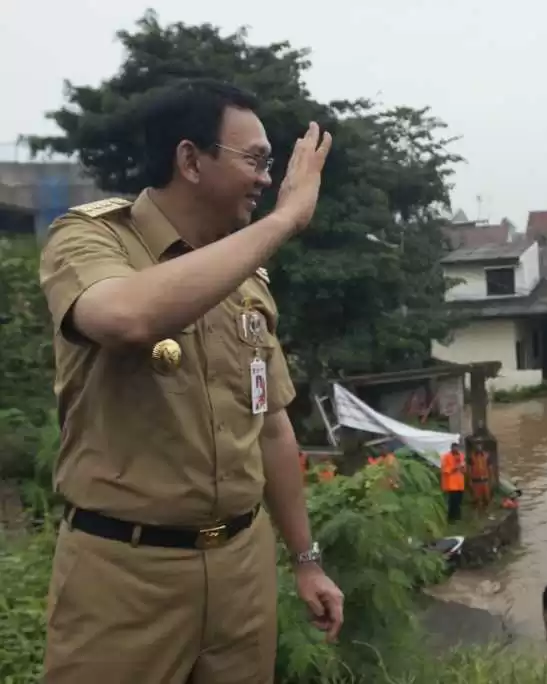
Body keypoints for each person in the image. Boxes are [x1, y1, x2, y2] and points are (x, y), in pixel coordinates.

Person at [37, 79, 343, 683]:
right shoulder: (92, 238)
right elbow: (127, 317)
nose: (265, 178)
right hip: (124, 574)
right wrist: (284, 221)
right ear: (189, 160)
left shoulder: (247, 281)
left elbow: (272, 427)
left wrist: (306, 560)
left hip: (241, 567)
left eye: (270, 165)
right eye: (254, 160)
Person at [440, 442, 466, 522]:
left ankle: (458, 516)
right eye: (454, 448)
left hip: (460, 483)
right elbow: (445, 470)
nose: (456, 450)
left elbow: (464, 470)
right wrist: (455, 467)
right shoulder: (446, 457)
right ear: (451, 448)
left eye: (457, 448)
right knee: (452, 501)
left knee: (459, 500)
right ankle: (451, 518)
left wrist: (462, 468)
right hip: (451, 484)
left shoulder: (461, 455)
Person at [468, 442, 492, 512]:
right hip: (476, 481)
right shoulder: (471, 457)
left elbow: (490, 468)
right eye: (477, 445)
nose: (478, 447)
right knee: (476, 498)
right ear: (475, 447)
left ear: (482, 446)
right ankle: (476, 512)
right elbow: (469, 470)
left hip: (485, 480)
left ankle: (485, 511)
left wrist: (491, 479)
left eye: (480, 445)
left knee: (487, 498)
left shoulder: (486, 456)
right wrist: (469, 480)